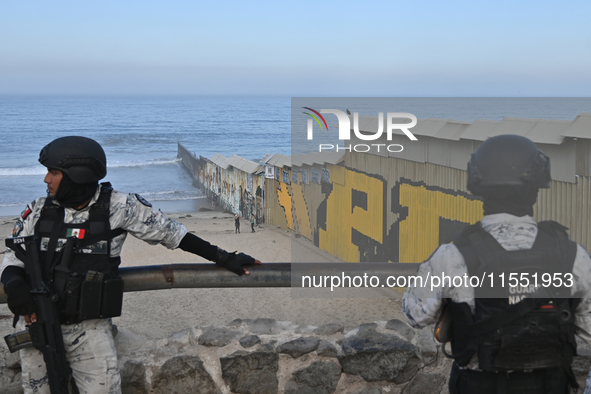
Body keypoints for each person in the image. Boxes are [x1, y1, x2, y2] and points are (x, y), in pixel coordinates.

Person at [1, 136, 261, 394]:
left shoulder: (119, 206)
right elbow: (13, 255)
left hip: (91, 332)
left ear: (76, 175)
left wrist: (224, 258)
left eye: (53, 172)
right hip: (38, 326)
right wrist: (14, 284)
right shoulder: (37, 210)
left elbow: (173, 234)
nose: (46, 179)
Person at [402, 135, 591, 394]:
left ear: (478, 187)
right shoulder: (574, 256)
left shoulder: (451, 257)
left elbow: (415, 315)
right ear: (536, 188)